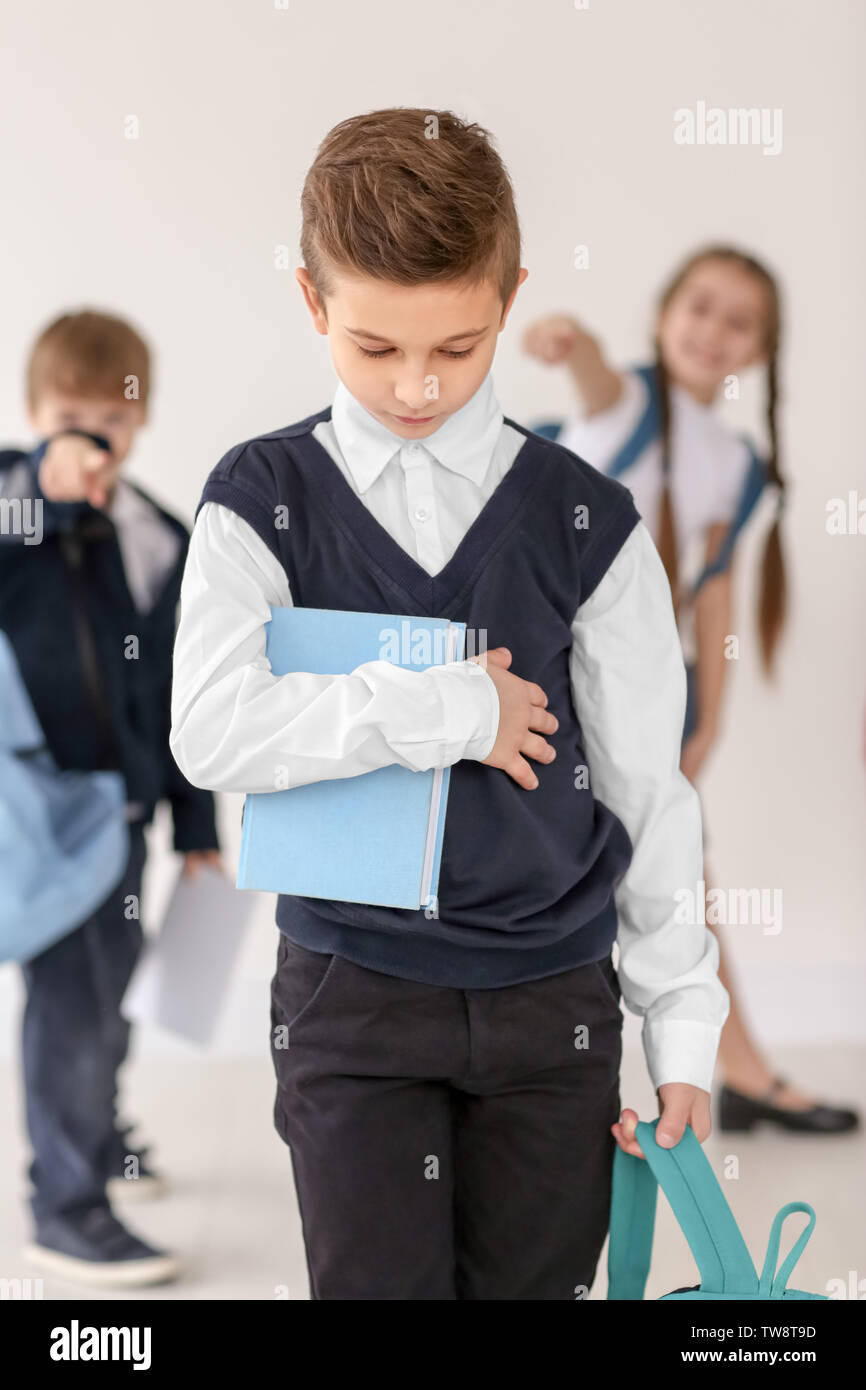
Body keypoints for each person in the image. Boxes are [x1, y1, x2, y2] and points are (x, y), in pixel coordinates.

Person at [170, 108, 729, 1301]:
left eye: (459, 347)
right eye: (374, 349)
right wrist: (440, 713)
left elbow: (645, 789)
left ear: (512, 296)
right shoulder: (257, 498)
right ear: (313, 302)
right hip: (348, 999)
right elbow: (212, 729)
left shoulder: (588, 519)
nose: (416, 385)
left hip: (552, 1010)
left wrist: (680, 1022)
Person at [522, 247, 858, 1136]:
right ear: (664, 312)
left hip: (640, 694)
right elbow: (593, 376)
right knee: (658, 882)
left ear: (760, 350)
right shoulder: (624, 402)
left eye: (738, 322)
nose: (712, 331)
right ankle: (734, 1070)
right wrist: (571, 341)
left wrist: (706, 728)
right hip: (550, 680)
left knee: (675, 880)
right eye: (699, 307)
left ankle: (728, 1068)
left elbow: (713, 595)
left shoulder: (736, 464)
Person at [0, 310, 222, 1287]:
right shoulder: (12, 497)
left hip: (125, 813)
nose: (92, 436)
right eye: (70, 417)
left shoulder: (160, 535)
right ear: (35, 415)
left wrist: (198, 823)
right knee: (70, 1007)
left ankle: (106, 1136)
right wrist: (44, 493)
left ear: (144, 419)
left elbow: (182, 692)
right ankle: (67, 1204)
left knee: (111, 992)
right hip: (43, 809)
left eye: (112, 419)